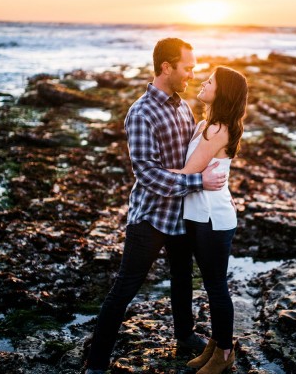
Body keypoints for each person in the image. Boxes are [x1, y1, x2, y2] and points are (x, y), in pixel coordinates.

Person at [85, 38, 227, 374]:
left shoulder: (182, 106)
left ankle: (184, 335)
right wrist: (198, 182)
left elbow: (193, 155)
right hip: (150, 216)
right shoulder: (141, 112)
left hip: (180, 214)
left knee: (181, 278)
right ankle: (96, 363)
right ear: (167, 67)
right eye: (187, 67)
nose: (192, 73)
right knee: (125, 287)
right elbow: (147, 174)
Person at [169, 66, 248, 374]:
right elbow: (192, 173)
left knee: (216, 286)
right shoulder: (207, 123)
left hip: (213, 218)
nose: (203, 82)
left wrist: (150, 172)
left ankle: (225, 353)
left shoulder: (217, 129)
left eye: (211, 81)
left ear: (222, 92)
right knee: (213, 284)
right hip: (202, 214)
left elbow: (188, 173)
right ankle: (216, 346)